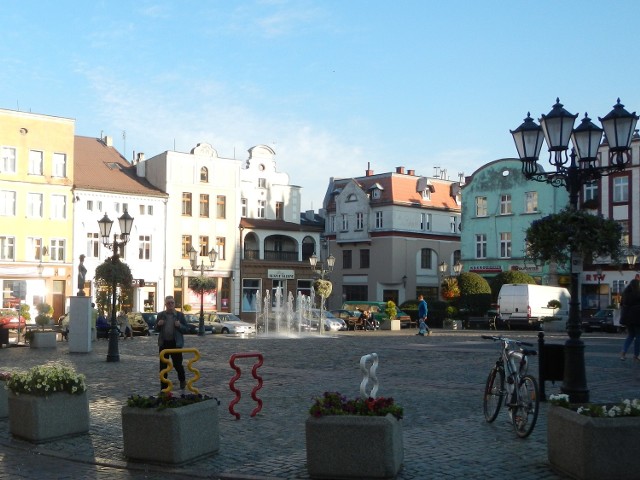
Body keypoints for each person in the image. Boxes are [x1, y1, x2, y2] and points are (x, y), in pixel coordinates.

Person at [156, 296, 189, 390]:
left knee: (178, 365)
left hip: (176, 344)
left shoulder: (179, 315)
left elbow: (186, 329)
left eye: (172, 303)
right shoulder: (161, 315)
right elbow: (155, 328)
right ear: (165, 304)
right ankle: (164, 387)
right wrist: (158, 325)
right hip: (164, 343)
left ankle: (182, 380)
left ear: (174, 304)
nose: (170, 305)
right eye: (168, 303)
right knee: (163, 366)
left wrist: (179, 326)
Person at [620, 279, 640, 361]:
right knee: (638, 337)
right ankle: (636, 355)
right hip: (637, 318)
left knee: (630, 336)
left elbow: (621, 305)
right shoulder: (638, 294)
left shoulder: (625, 294)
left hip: (627, 318)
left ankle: (623, 353)